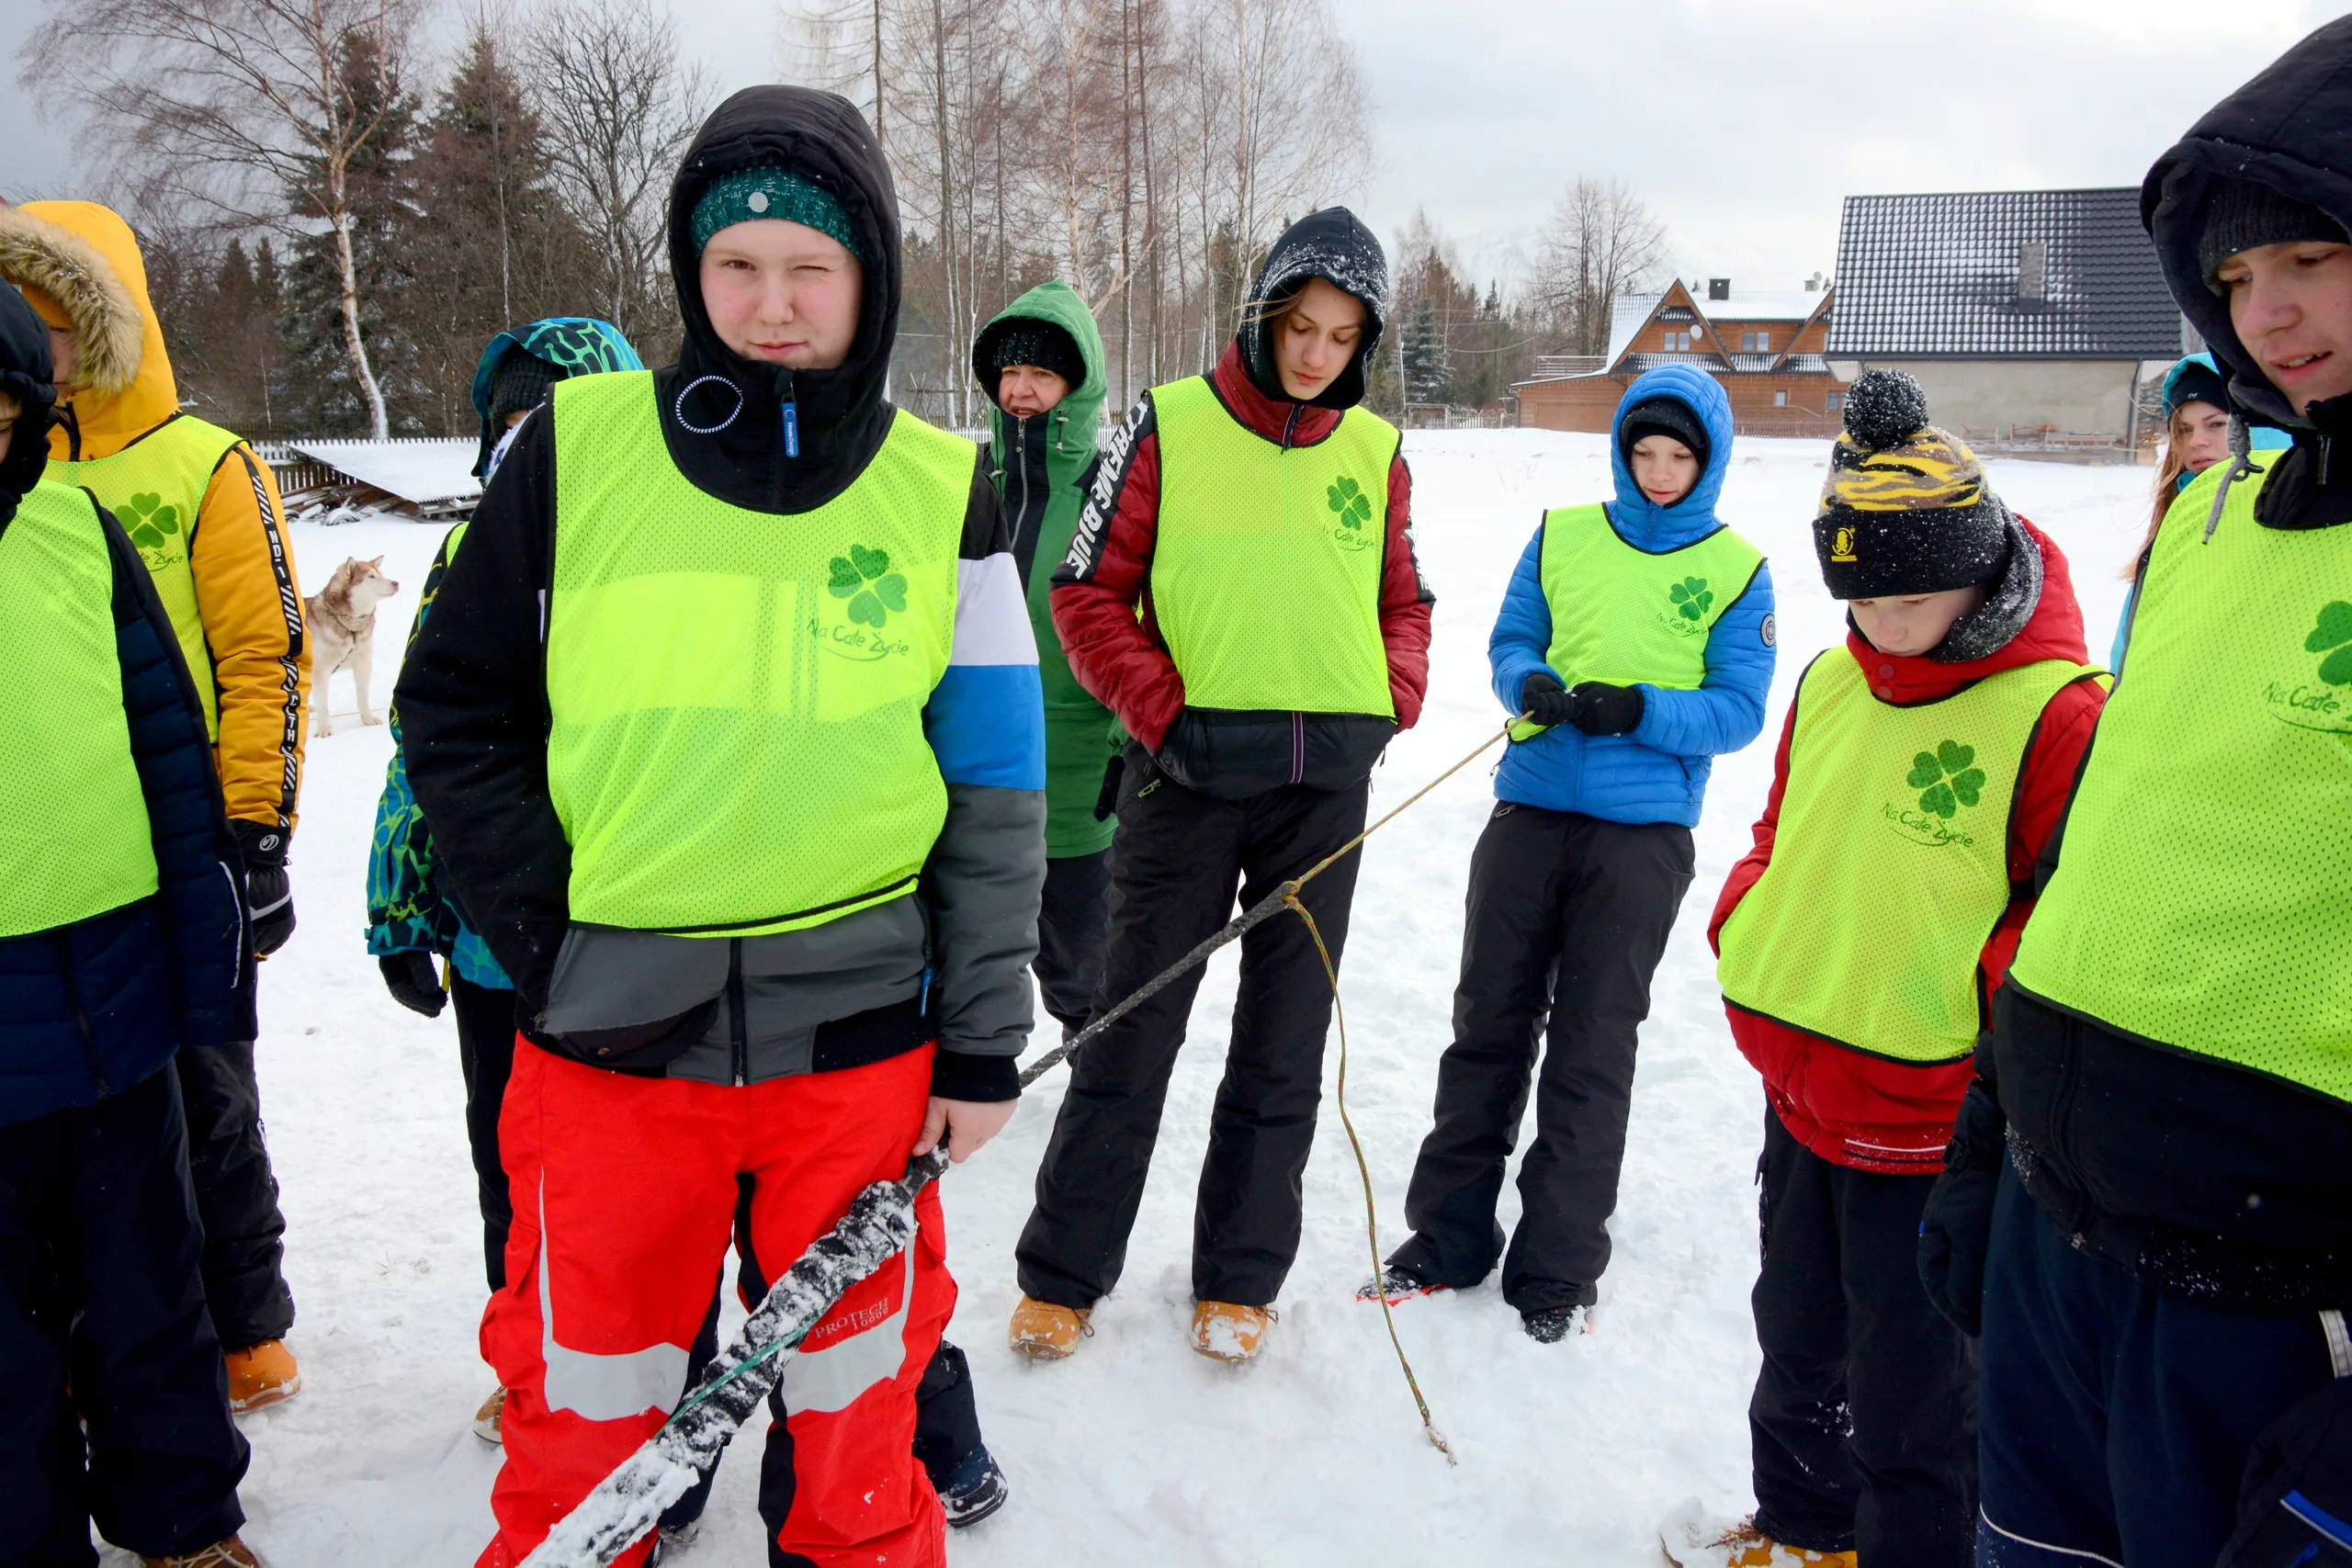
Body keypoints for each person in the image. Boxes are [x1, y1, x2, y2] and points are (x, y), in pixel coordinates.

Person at [396, 85, 1044, 1568]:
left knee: (858, 1414)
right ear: (690, 269)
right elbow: (456, 709)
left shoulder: (943, 489)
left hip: (862, 1053)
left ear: (871, 274)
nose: (771, 303)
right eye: (736, 264)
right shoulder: (572, 453)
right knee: (591, 1410)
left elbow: (996, 795)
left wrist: (983, 1038)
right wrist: (549, 939)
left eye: (809, 269)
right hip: (612, 1051)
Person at [1924, 18, 2352, 1565]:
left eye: (2312, 252)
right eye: (2237, 280)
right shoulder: (2213, 524)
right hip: (2064, 1243)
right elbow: (2096, 864)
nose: (2273, 311)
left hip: (2275, 1313)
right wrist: (1996, 1143)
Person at [1678, 371, 2106, 1568]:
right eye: (1858, 597)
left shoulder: (2059, 711)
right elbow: (1781, 834)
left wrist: (1964, 1013)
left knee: (1913, 1380)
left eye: (1912, 596)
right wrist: (1750, 918)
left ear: (1979, 565)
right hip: (1802, 1080)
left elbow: (2060, 921)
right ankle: (1806, 1527)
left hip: (1929, 1117)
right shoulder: (1829, 676)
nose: (1881, 625)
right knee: (1795, 1334)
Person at [1012, 207, 1435, 1364]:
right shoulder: (1173, 423)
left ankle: (1240, 1276)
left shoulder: (1376, 453)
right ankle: (1063, 1271)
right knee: (1129, 1031)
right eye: (1299, 326)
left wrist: (1391, 698)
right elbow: (1085, 590)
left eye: (1342, 336)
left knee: (1283, 1042)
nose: (1315, 354)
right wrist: (1164, 714)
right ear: (1262, 316)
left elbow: (1406, 602)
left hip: (1323, 792)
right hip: (1188, 780)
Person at [1370, 365, 1775, 1342]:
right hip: (1531, 813)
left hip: (1640, 839)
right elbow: (1511, 640)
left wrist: (1641, 710)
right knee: (1487, 1025)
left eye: (1680, 454)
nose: (1661, 470)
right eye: (1646, 450)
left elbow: (1738, 709)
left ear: (1708, 458)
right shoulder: (1562, 534)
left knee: (1593, 1046)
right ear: (1622, 450)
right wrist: (1533, 684)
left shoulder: (1735, 568)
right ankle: (1447, 1238)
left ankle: (1555, 1269)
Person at [0, 198, 310, 1413]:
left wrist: (255, 829)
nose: (43, 350)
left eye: (60, 321)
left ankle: (243, 1313)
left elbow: (263, 651)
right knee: (80, 1135)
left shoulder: (201, 464)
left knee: (210, 1092)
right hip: (58, 868)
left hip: (184, 846)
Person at [366, 315, 643, 1441]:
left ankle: (649, 1355)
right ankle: (530, 1355)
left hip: (633, 923)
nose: (533, 433)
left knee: (634, 1174)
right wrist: (399, 906)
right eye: (516, 413)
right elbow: (422, 741)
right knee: (511, 1161)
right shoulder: (468, 553)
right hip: (495, 940)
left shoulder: (655, 553)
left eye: (559, 411)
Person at [971, 282, 1121, 1041]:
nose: (1021, 390)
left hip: (1076, 777)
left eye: (1042, 374)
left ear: (1077, 386)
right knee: (971, 947)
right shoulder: (967, 484)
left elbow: (1145, 629)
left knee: (1079, 962)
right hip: (971, 772)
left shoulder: (1113, 492)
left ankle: (1090, 1081)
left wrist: (1129, 748)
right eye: (1009, 373)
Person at [2110, 351, 2290, 668]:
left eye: (2217, 424)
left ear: (2261, 426)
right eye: (2184, 429)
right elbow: (2135, 638)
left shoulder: (2303, 520)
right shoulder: (2179, 517)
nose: (2196, 441)